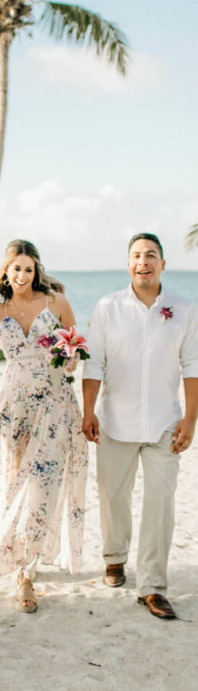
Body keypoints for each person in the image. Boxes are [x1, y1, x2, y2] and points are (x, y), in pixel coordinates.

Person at [0, 240, 89, 612]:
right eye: (15, 269)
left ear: (37, 271)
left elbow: (75, 351)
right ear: (5, 272)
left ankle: (26, 573)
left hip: (54, 407)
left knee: (43, 485)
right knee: (16, 481)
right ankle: (19, 556)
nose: (22, 275)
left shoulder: (56, 303)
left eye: (28, 269)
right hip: (13, 408)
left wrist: (65, 361)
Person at [82, 233, 198, 620]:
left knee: (160, 504)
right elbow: (94, 362)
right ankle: (115, 558)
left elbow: (193, 367)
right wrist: (88, 410)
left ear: (163, 264)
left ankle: (152, 586)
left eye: (151, 255)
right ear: (128, 263)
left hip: (166, 423)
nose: (143, 261)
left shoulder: (184, 309)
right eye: (136, 255)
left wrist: (190, 418)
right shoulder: (107, 307)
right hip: (115, 420)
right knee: (113, 496)